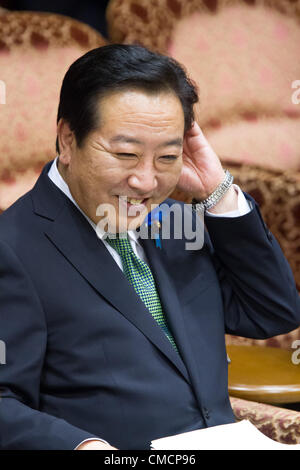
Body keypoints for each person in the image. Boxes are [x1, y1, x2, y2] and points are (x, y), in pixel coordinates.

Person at [0, 44, 299, 451]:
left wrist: (218, 192)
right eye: (126, 154)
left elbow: (272, 312)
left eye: (167, 156)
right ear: (68, 139)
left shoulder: (173, 222)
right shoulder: (13, 247)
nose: (146, 181)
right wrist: (82, 446)